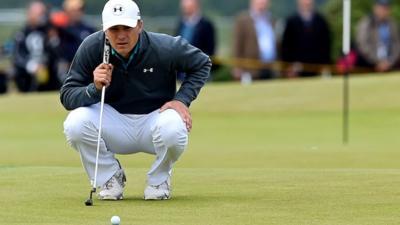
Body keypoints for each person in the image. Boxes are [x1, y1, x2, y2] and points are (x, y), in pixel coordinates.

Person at [61, 0, 211, 200]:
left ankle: (159, 179)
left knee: (175, 125)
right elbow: (67, 96)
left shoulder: (164, 46)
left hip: (155, 120)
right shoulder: (91, 47)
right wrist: (94, 88)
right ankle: (109, 176)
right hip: (113, 123)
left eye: (127, 27)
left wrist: (182, 99)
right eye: (114, 29)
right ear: (105, 30)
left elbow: (202, 63)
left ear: (139, 25)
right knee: (75, 123)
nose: (121, 35)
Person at [12, 1, 59, 92]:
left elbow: (56, 54)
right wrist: (31, 66)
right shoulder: (22, 33)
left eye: (42, 13)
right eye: (38, 14)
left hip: (48, 74)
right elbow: (17, 56)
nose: (41, 17)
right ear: (29, 14)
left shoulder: (48, 31)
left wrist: (54, 39)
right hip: (27, 76)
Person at [281, 0, 331, 77]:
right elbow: (286, 47)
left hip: (317, 69)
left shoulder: (321, 21)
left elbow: (326, 45)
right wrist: (289, 67)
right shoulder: (291, 22)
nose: (307, 2)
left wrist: (325, 66)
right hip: (297, 70)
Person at [232, 0, 277, 80]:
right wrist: (237, 66)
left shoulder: (272, 20)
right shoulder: (243, 20)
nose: (262, 3)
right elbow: (237, 45)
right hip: (251, 69)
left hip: (270, 68)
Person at [175, 0, 216, 80]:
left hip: (200, 67)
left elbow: (211, 48)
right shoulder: (181, 24)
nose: (186, 9)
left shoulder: (206, 24)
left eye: (188, 7)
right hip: (182, 68)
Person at [355, 0, 400, 72]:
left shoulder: (392, 24)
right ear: (375, 8)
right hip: (369, 65)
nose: (384, 11)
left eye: (386, 8)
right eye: (381, 8)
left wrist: (390, 61)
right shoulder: (367, 23)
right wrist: (377, 61)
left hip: (390, 64)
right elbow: (362, 45)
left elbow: (397, 45)